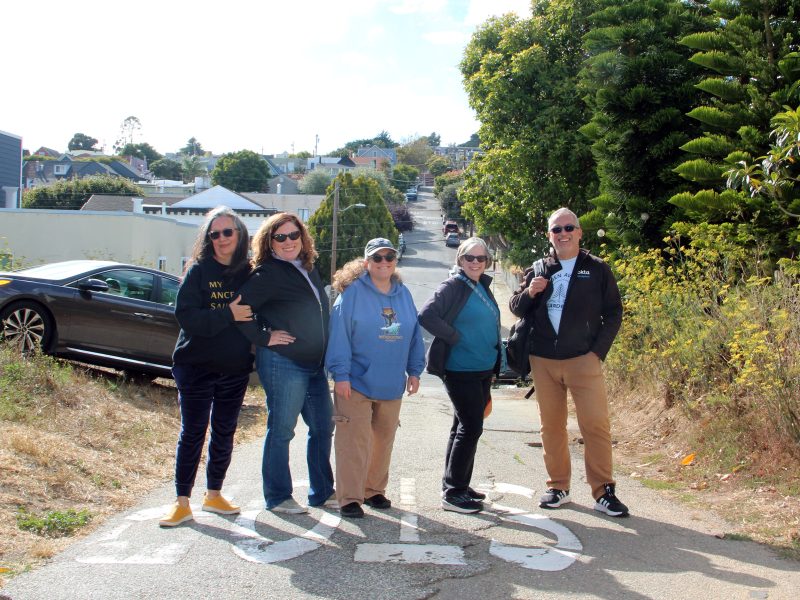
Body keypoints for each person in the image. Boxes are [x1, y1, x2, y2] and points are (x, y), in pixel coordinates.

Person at [509, 207, 627, 517]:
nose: (562, 234)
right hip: (544, 359)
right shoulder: (538, 269)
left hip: (582, 359)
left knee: (595, 426)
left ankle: (604, 491)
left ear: (579, 232)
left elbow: (614, 312)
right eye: (556, 230)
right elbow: (517, 308)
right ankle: (558, 486)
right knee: (551, 427)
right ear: (549, 236)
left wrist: (596, 352)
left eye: (568, 228)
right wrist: (530, 292)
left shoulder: (597, 269)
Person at [160, 206, 255, 527]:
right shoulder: (198, 271)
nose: (221, 239)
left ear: (239, 235)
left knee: (225, 432)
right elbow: (186, 317)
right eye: (214, 234)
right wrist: (227, 314)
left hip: (234, 368)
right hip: (195, 366)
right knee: (193, 432)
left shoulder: (248, 272)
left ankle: (214, 494)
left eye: (228, 232)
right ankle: (182, 501)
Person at [237, 212, 335, 514]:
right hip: (284, 363)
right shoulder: (268, 273)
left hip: (314, 365)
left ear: (303, 238)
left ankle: (322, 493)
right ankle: (278, 496)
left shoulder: (307, 268)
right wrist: (265, 338)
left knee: (322, 427)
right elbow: (239, 309)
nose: (289, 241)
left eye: (294, 235)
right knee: (282, 429)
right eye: (280, 237)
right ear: (270, 242)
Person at [326, 238, 426, 519]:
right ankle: (350, 498)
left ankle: (374, 490)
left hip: (391, 382)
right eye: (377, 258)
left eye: (389, 256)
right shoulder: (353, 293)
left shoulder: (403, 293)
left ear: (395, 260)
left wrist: (415, 370)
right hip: (355, 382)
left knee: (383, 440)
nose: (384, 262)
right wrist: (340, 374)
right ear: (367, 262)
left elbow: (414, 334)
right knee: (353, 442)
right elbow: (340, 335)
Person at [418, 237, 505, 514]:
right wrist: (455, 336)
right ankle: (453, 492)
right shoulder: (453, 286)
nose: (476, 263)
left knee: (462, 428)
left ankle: (457, 485)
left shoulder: (482, 285)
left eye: (481, 258)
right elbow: (427, 316)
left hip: (481, 368)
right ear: (460, 260)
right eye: (470, 258)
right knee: (471, 427)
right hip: (460, 368)